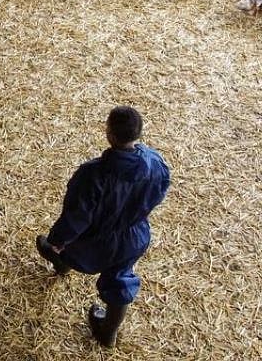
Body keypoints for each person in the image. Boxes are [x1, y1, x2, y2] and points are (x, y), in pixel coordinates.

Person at [36, 106, 170, 348]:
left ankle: (59, 258)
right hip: (133, 235)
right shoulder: (155, 162)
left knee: (68, 246)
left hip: (96, 240)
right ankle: (108, 332)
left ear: (109, 134)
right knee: (120, 280)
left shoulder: (93, 174)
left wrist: (57, 239)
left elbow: (78, 215)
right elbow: (159, 193)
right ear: (138, 133)